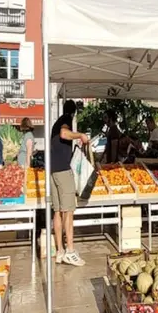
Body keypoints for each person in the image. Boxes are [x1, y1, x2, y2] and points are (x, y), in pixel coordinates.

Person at [51, 100, 89, 267]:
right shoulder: (66, 120)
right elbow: (64, 134)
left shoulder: (57, 122)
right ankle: (70, 251)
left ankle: (60, 251)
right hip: (63, 170)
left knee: (58, 211)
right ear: (73, 113)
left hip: (53, 170)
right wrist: (80, 135)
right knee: (69, 211)